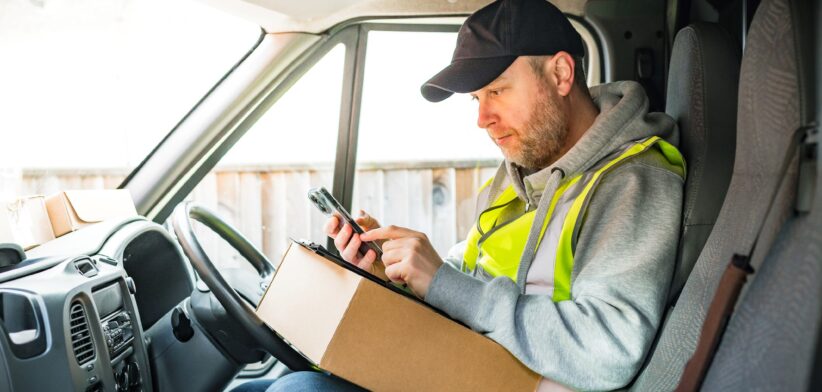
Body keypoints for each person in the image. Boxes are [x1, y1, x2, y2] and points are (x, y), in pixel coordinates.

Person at [238, 0, 685, 390]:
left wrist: (445, 285)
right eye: (475, 99)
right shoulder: (520, 171)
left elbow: (609, 350)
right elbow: (464, 275)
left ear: (561, 74)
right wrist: (391, 273)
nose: (483, 118)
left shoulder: (634, 180)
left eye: (497, 90)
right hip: (459, 366)